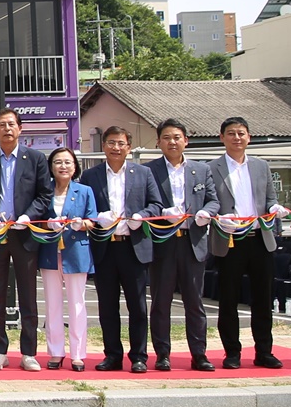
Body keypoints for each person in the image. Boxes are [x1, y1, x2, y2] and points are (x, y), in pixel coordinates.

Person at [80, 125, 164, 373]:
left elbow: (156, 204)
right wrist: (96, 217)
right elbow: (86, 210)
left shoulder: (143, 173)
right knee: (107, 306)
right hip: (105, 248)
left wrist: (142, 215)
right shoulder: (90, 176)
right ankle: (112, 355)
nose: (116, 148)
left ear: (128, 147)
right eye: (111, 143)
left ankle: (139, 356)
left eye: (121, 143)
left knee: (137, 306)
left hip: (133, 247)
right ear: (103, 145)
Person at [208, 116, 289, 369]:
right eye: (231, 133)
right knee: (229, 299)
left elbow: (269, 199)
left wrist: (275, 207)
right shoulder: (211, 167)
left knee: (263, 299)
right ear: (222, 138)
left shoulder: (261, 166)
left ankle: (264, 351)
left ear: (249, 137)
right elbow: (208, 204)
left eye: (241, 133)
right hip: (230, 240)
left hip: (259, 240)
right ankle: (232, 352)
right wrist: (219, 218)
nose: (237, 138)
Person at [0, 108, 52, 371]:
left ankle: (28, 352)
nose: (7, 129)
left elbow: (44, 195)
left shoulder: (36, 158)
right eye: (1, 125)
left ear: (20, 128)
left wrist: (29, 216)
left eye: (11, 124)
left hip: (25, 235)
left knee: (28, 295)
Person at [145, 118, 220, 371]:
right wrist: (161, 212)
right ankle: (162, 354)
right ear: (158, 142)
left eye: (177, 137)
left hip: (193, 241)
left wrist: (206, 213)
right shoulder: (149, 170)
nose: (172, 142)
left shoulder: (202, 169)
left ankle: (199, 354)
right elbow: (145, 204)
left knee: (194, 302)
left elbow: (213, 200)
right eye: (166, 137)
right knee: (161, 302)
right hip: (163, 243)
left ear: (186, 140)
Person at [37, 147, 96, 372]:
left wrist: (81, 223)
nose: (63, 166)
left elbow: (94, 219)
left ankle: (78, 354)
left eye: (68, 162)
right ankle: (55, 352)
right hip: (50, 251)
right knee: (52, 303)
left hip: (76, 250)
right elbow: (37, 218)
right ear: (51, 167)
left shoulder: (85, 191)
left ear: (75, 166)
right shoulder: (44, 190)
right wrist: (48, 224)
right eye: (58, 162)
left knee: (77, 303)